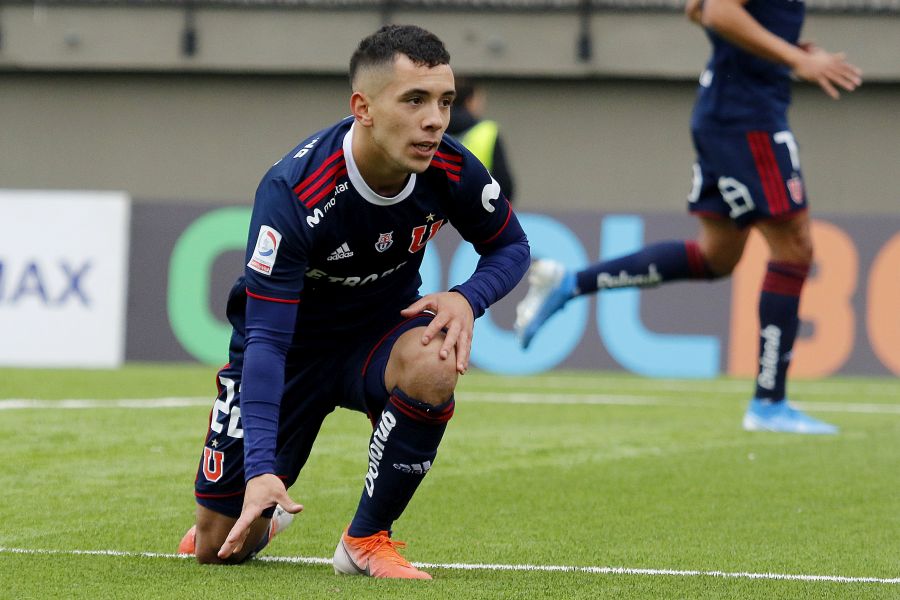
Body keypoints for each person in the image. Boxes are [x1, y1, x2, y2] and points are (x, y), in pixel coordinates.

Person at [177, 24, 529, 579]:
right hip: (290, 350)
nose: (435, 119)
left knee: (436, 359)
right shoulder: (295, 191)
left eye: (444, 101)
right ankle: (268, 508)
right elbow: (266, 340)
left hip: (377, 337)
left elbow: (510, 246)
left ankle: (365, 538)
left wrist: (468, 297)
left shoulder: (451, 168)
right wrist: (262, 469)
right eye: (414, 100)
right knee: (215, 547)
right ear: (362, 108)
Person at [515, 0, 861, 434]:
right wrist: (795, 57)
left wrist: (780, 48)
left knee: (716, 256)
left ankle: (569, 283)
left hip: (728, 112)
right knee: (794, 248)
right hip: (748, 119)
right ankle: (769, 404)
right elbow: (717, 11)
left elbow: (695, 8)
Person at [446, 77, 516, 202]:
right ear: (469, 101)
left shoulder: (433, 127)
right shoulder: (488, 131)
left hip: (434, 209)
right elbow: (505, 185)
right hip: (476, 207)